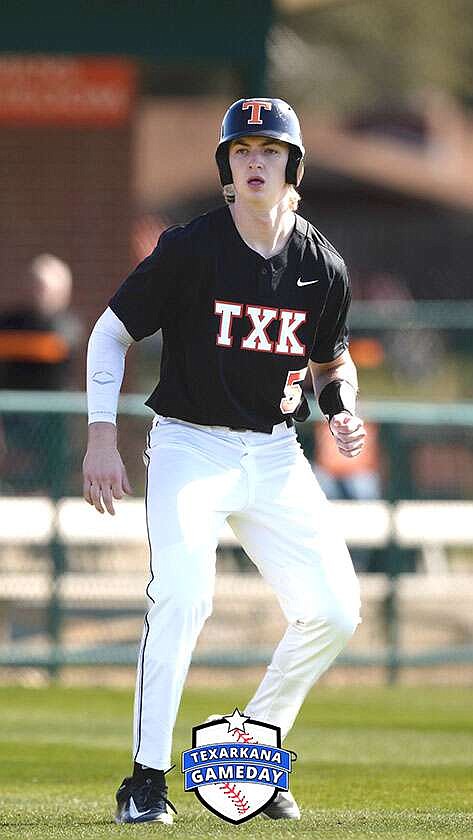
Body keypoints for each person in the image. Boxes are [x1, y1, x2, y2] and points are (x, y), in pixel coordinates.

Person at [83, 98, 366, 825]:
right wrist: (98, 435)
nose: (254, 161)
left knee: (334, 610)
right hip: (190, 443)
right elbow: (108, 336)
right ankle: (145, 782)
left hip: (275, 453)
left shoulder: (320, 263)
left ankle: (255, 748)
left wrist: (340, 408)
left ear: (291, 167)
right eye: (241, 150)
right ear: (226, 169)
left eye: (269, 150)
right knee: (183, 597)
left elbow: (332, 365)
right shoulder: (190, 248)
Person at [0, 253, 83, 494]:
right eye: (36, 285)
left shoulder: (68, 323)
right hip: (12, 409)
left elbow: (53, 349)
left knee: (53, 471)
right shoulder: (12, 320)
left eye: (45, 287)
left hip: (53, 415)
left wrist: (15, 347)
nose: (40, 292)